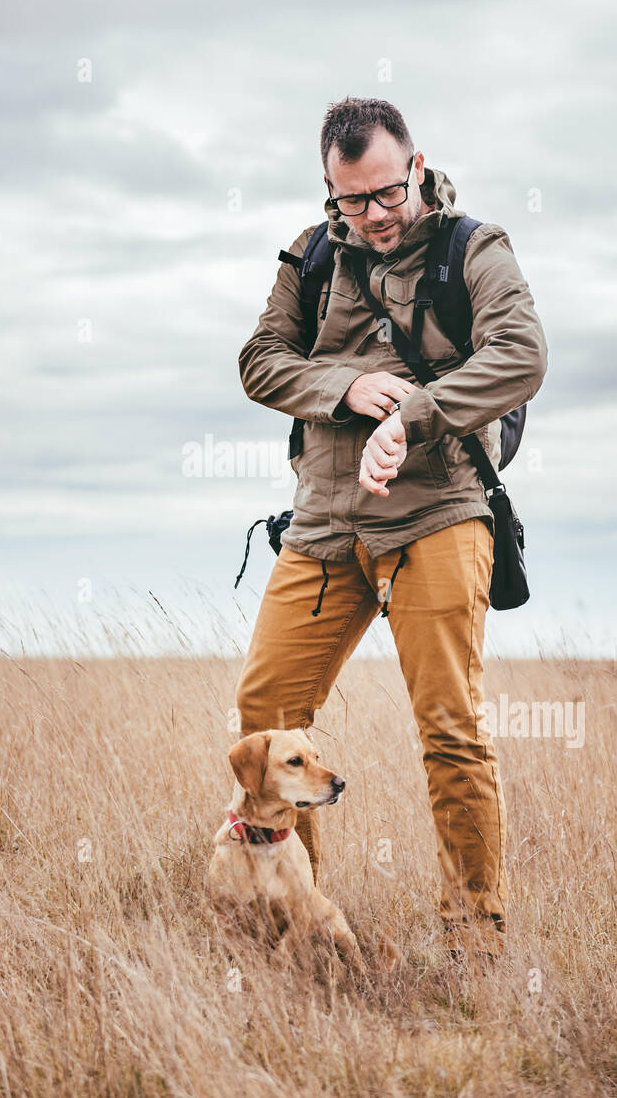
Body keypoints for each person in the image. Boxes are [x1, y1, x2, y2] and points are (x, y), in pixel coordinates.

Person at [235, 97, 548, 959]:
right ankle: (302, 924)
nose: (371, 217)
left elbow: (521, 356)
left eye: (384, 195)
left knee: (449, 729)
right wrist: (340, 388)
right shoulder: (308, 255)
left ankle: (472, 938)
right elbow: (259, 361)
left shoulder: (471, 250)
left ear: (415, 168)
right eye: (350, 201)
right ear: (328, 191)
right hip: (325, 525)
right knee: (264, 715)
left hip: (438, 513)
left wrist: (411, 410)